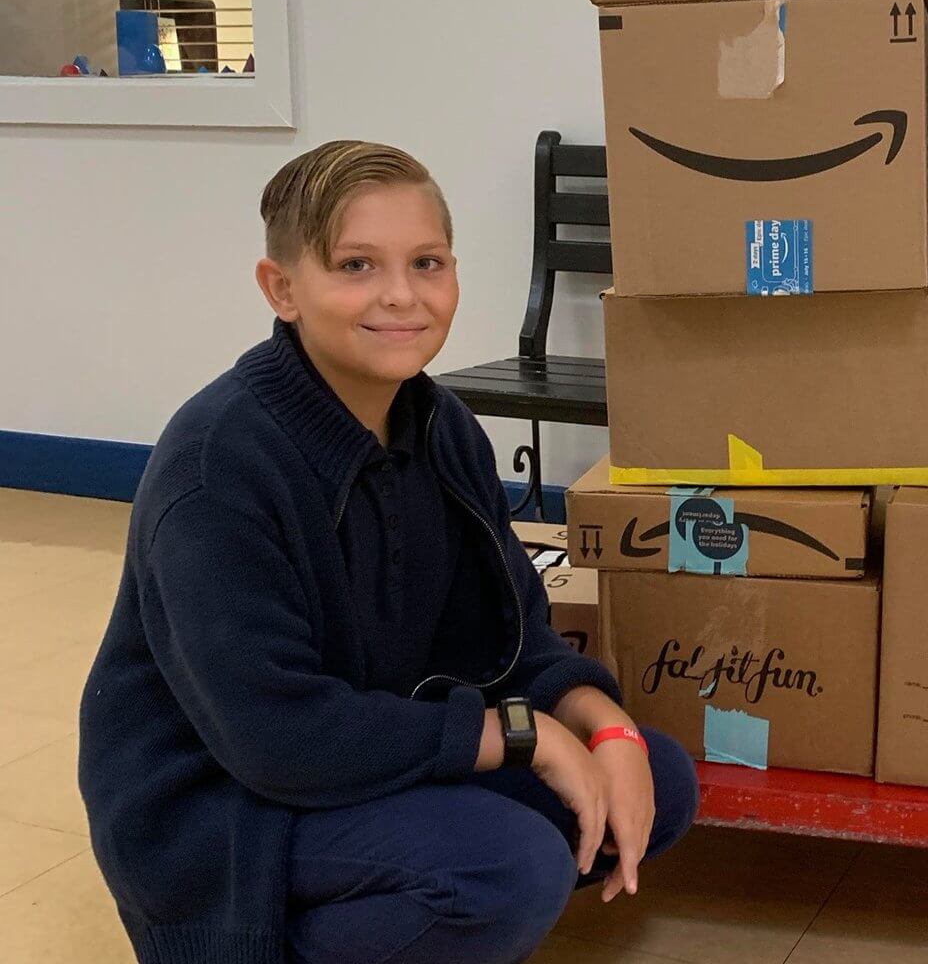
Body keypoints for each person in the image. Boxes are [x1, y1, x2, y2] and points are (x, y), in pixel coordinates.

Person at [78, 140, 698, 964]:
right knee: (507, 866)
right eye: (356, 265)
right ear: (283, 289)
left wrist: (607, 728)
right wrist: (525, 737)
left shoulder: (444, 428)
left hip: (368, 743)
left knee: (659, 776)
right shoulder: (218, 466)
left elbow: (516, 636)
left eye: (426, 263)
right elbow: (275, 738)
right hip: (231, 806)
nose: (401, 295)